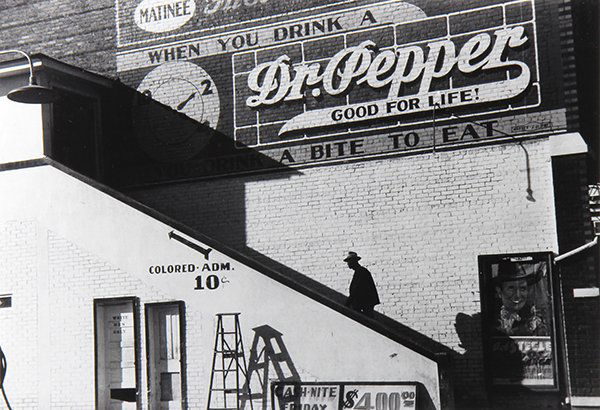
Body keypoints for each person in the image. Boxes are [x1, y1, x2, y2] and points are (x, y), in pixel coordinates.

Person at [492, 260, 548, 336]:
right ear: (499, 291)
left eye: (522, 289)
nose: (518, 295)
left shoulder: (532, 317)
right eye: (511, 288)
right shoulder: (493, 318)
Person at [344, 251, 380, 317]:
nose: (348, 264)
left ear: (353, 261)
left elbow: (356, 289)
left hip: (365, 302)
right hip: (363, 302)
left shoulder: (361, 272)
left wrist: (347, 303)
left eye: (349, 261)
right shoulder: (359, 271)